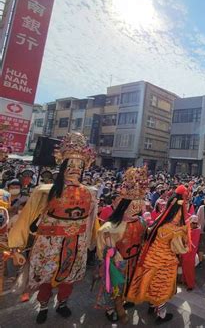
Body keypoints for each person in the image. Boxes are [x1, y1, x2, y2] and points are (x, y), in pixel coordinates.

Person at [8, 133, 97, 324]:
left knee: (69, 278)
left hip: (76, 243)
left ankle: (63, 303)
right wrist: (16, 246)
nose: (75, 170)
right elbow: (26, 218)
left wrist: (95, 242)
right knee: (46, 278)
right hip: (49, 243)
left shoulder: (89, 193)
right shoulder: (46, 190)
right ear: (62, 166)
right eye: (70, 166)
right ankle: (43, 305)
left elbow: (92, 221)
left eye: (79, 167)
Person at [127, 185, 189, 324]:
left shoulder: (160, 221)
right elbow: (181, 248)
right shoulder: (174, 229)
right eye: (180, 212)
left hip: (150, 256)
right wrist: (185, 233)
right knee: (161, 287)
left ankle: (151, 305)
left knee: (149, 283)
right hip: (164, 260)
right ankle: (161, 315)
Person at [96, 166, 148, 323]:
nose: (138, 208)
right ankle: (111, 308)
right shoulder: (110, 227)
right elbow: (104, 247)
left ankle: (124, 301)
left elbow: (144, 239)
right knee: (113, 286)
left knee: (128, 285)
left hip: (133, 260)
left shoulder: (141, 222)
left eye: (140, 204)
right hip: (118, 262)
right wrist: (111, 255)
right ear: (124, 204)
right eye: (134, 204)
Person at [181, 215, 201, 291]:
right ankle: (186, 281)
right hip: (187, 253)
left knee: (189, 270)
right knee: (185, 268)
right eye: (193, 223)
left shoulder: (195, 231)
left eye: (194, 223)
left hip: (189, 254)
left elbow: (188, 242)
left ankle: (190, 285)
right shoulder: (194, 229)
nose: (193, 224)